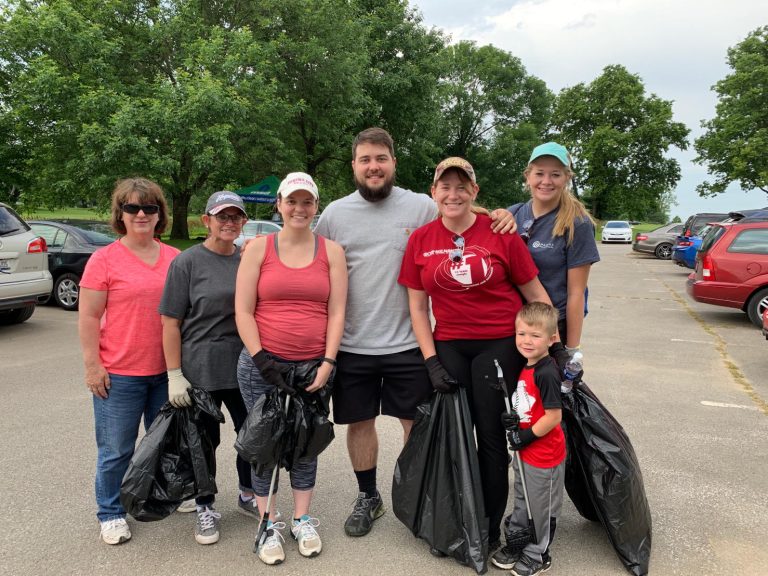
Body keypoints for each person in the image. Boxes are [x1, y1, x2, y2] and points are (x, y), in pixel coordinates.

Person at [313, 128, 517, 539]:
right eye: (365, 159)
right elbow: (314, 268)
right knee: (361, 422)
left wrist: (500, 213)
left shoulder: (421, 206)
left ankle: (414, 495)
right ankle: (368, 497)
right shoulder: (334, 214)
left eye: (381, 158)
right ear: (353, 165)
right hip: (354, 343)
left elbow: (458, 211)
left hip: (410, 342)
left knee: (416, 424)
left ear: (393, 163)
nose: (374, 166)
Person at [398, 156, 552, 552]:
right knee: (451, 435)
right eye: (445, 186)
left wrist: (556, 345)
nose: (453, 194)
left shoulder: (501, 232)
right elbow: (417, 308)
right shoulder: (421, 240)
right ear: (433, 192)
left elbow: (535, 295)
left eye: (461, 186)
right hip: (448, 343)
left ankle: (486, 524)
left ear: (474, 192)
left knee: (489, 436)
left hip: (498, 342)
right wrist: (431, 360)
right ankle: (453, 520)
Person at [235, 172, 347, 565]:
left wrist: (328, 362)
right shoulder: (258, 249)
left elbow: (336, 311)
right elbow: (243, 310)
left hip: (313, 367)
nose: (299, 209)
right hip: (262, 366)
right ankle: (268, 522)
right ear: (279, 204)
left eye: (307, 202)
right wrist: (262, 359)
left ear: (316, 206)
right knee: (266, 444)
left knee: (305, 442)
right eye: (292, 201)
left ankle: (302, 518)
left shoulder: (330, 251)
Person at [78, 177, 180, 545]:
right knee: (116, 450)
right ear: (120, 213)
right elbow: (89, 317)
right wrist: (93, 366)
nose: (141, 214)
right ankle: (110, 511)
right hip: (120, 373)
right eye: (132, 207)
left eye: (149, 208)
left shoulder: (174, 258)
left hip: (165, 373)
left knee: (161, 445)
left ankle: (153, 494)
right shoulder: (104, 259)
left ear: (159, 215)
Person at [159, 190, 258, 546]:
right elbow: (170, 323)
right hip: (200, 367)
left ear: (243, 222)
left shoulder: (249, 259)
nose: (229, 223)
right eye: (222, 217)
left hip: (244, 366)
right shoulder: (187, 262)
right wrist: (174, 375)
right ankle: (204, 505)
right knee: (202, 443)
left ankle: (248, 493)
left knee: (252, 435)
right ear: (207, 221)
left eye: (236, 217)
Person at [493, 302, 565, 576]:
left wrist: (525, 435)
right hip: (525, 453)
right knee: (523, 500)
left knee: (541, 507)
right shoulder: (527, 366)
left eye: (535, 336)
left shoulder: (546, 371)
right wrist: (512, 420)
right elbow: (528, 407)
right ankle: (519, 543)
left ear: (551, 338)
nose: (526, 340)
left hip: (544, 455)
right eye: (521, 333)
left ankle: (539, 553)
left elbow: (553, 416)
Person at [510, 142, 600, 357]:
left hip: (551, 331)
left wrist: (571, 349)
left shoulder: (577, 224)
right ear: (528, 176)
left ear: (567, 178)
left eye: (555, 174)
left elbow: (576, 293)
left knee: (547, 388)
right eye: (539, 173)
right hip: (514, 327)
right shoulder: (512, 214)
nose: (546, 181)